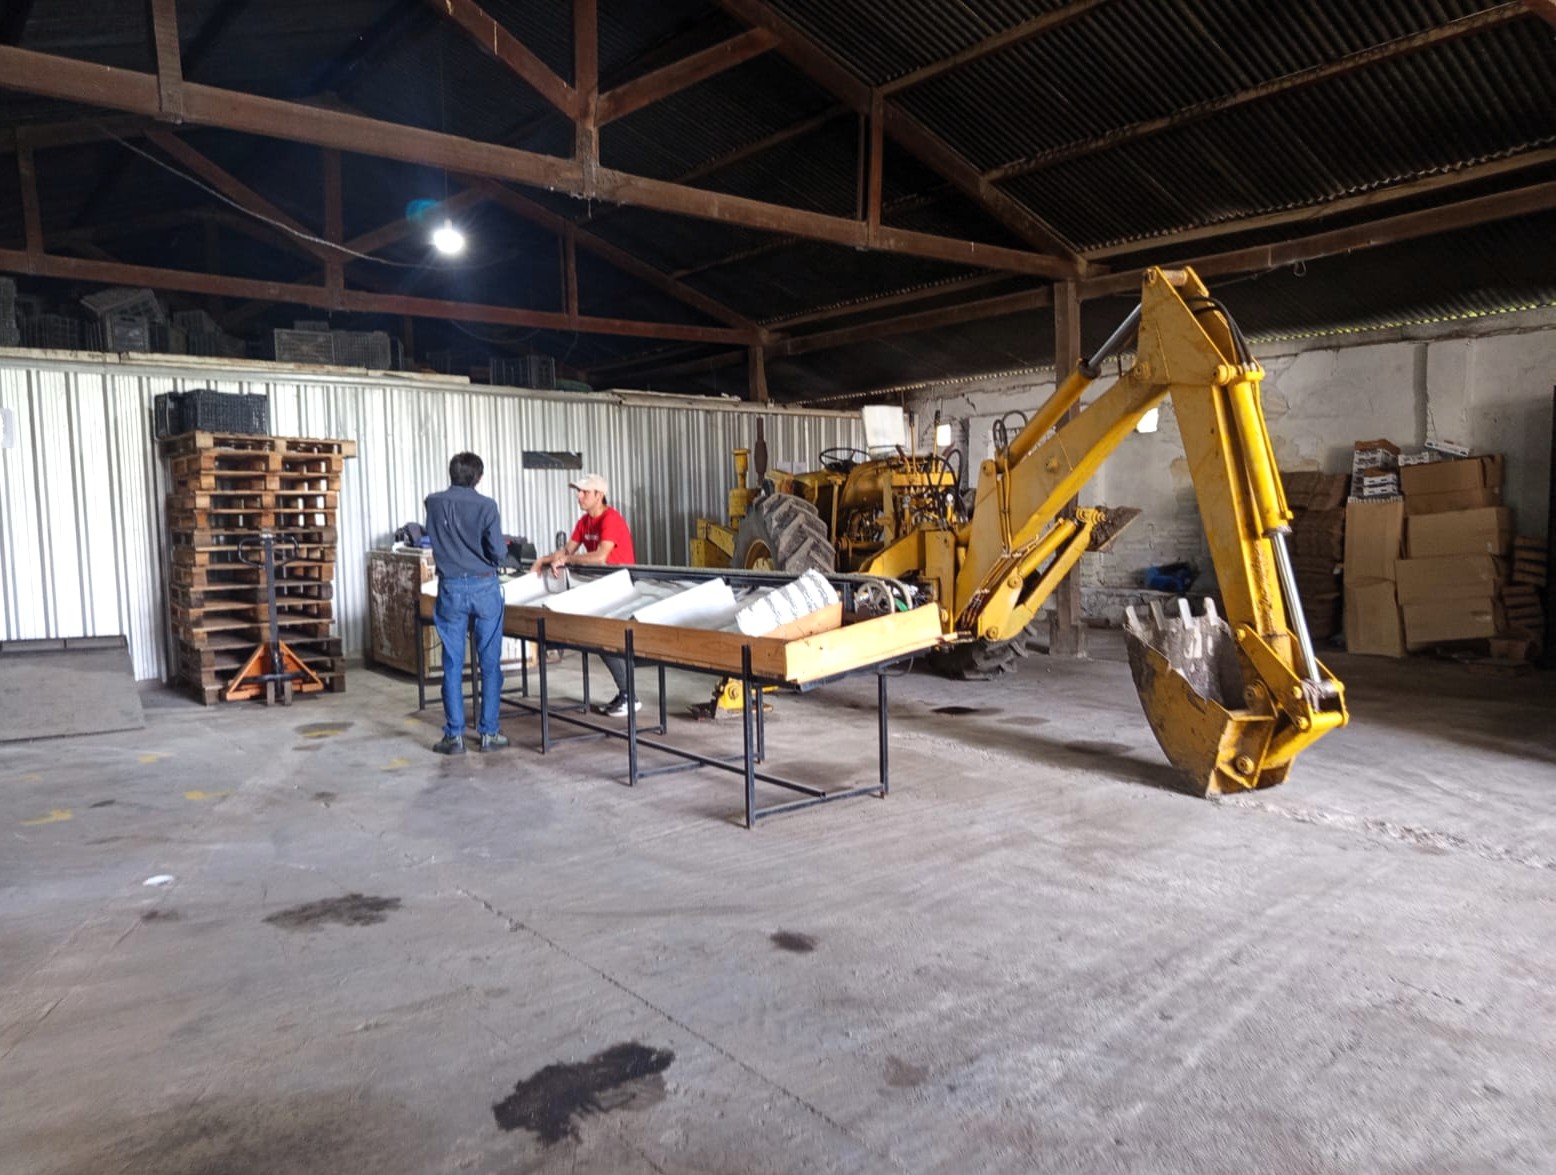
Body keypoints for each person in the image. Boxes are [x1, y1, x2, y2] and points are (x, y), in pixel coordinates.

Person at [531, 473, 640, 716]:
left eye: (584, 492)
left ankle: (629, 696)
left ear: (599, 495)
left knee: (604, 640)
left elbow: (600, 557)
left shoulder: (611, 519)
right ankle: (627, 694)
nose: (579, 496)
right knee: (598, 640)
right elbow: (566, 550)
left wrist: (566, 560)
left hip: (620, 587)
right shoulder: (584, 522)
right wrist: (543, 560)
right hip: (600, 586)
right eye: (578, 492)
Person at [424, 452, 509, 754]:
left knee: (452, 663)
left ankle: (454, 736)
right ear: (478, 477)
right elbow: (498, 552)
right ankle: (489, 733)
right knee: (490, 664)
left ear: (451, 473)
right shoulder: (487, 506)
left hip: (450, 588)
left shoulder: (433, 503)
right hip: (485, 586)